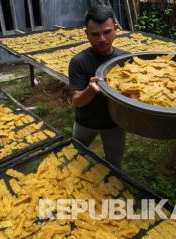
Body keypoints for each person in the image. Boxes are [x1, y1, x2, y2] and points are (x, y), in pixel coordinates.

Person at [68, 5, 127, 169]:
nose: (102, 39)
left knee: (114, 164)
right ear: (86, 34)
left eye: (107, 32)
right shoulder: (79, 62)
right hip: (86, 123)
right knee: (75, 158)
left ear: (116, 29)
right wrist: (90, 90)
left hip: (115, 124)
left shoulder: (125, 59)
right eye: (95, 34)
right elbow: (77, 101)